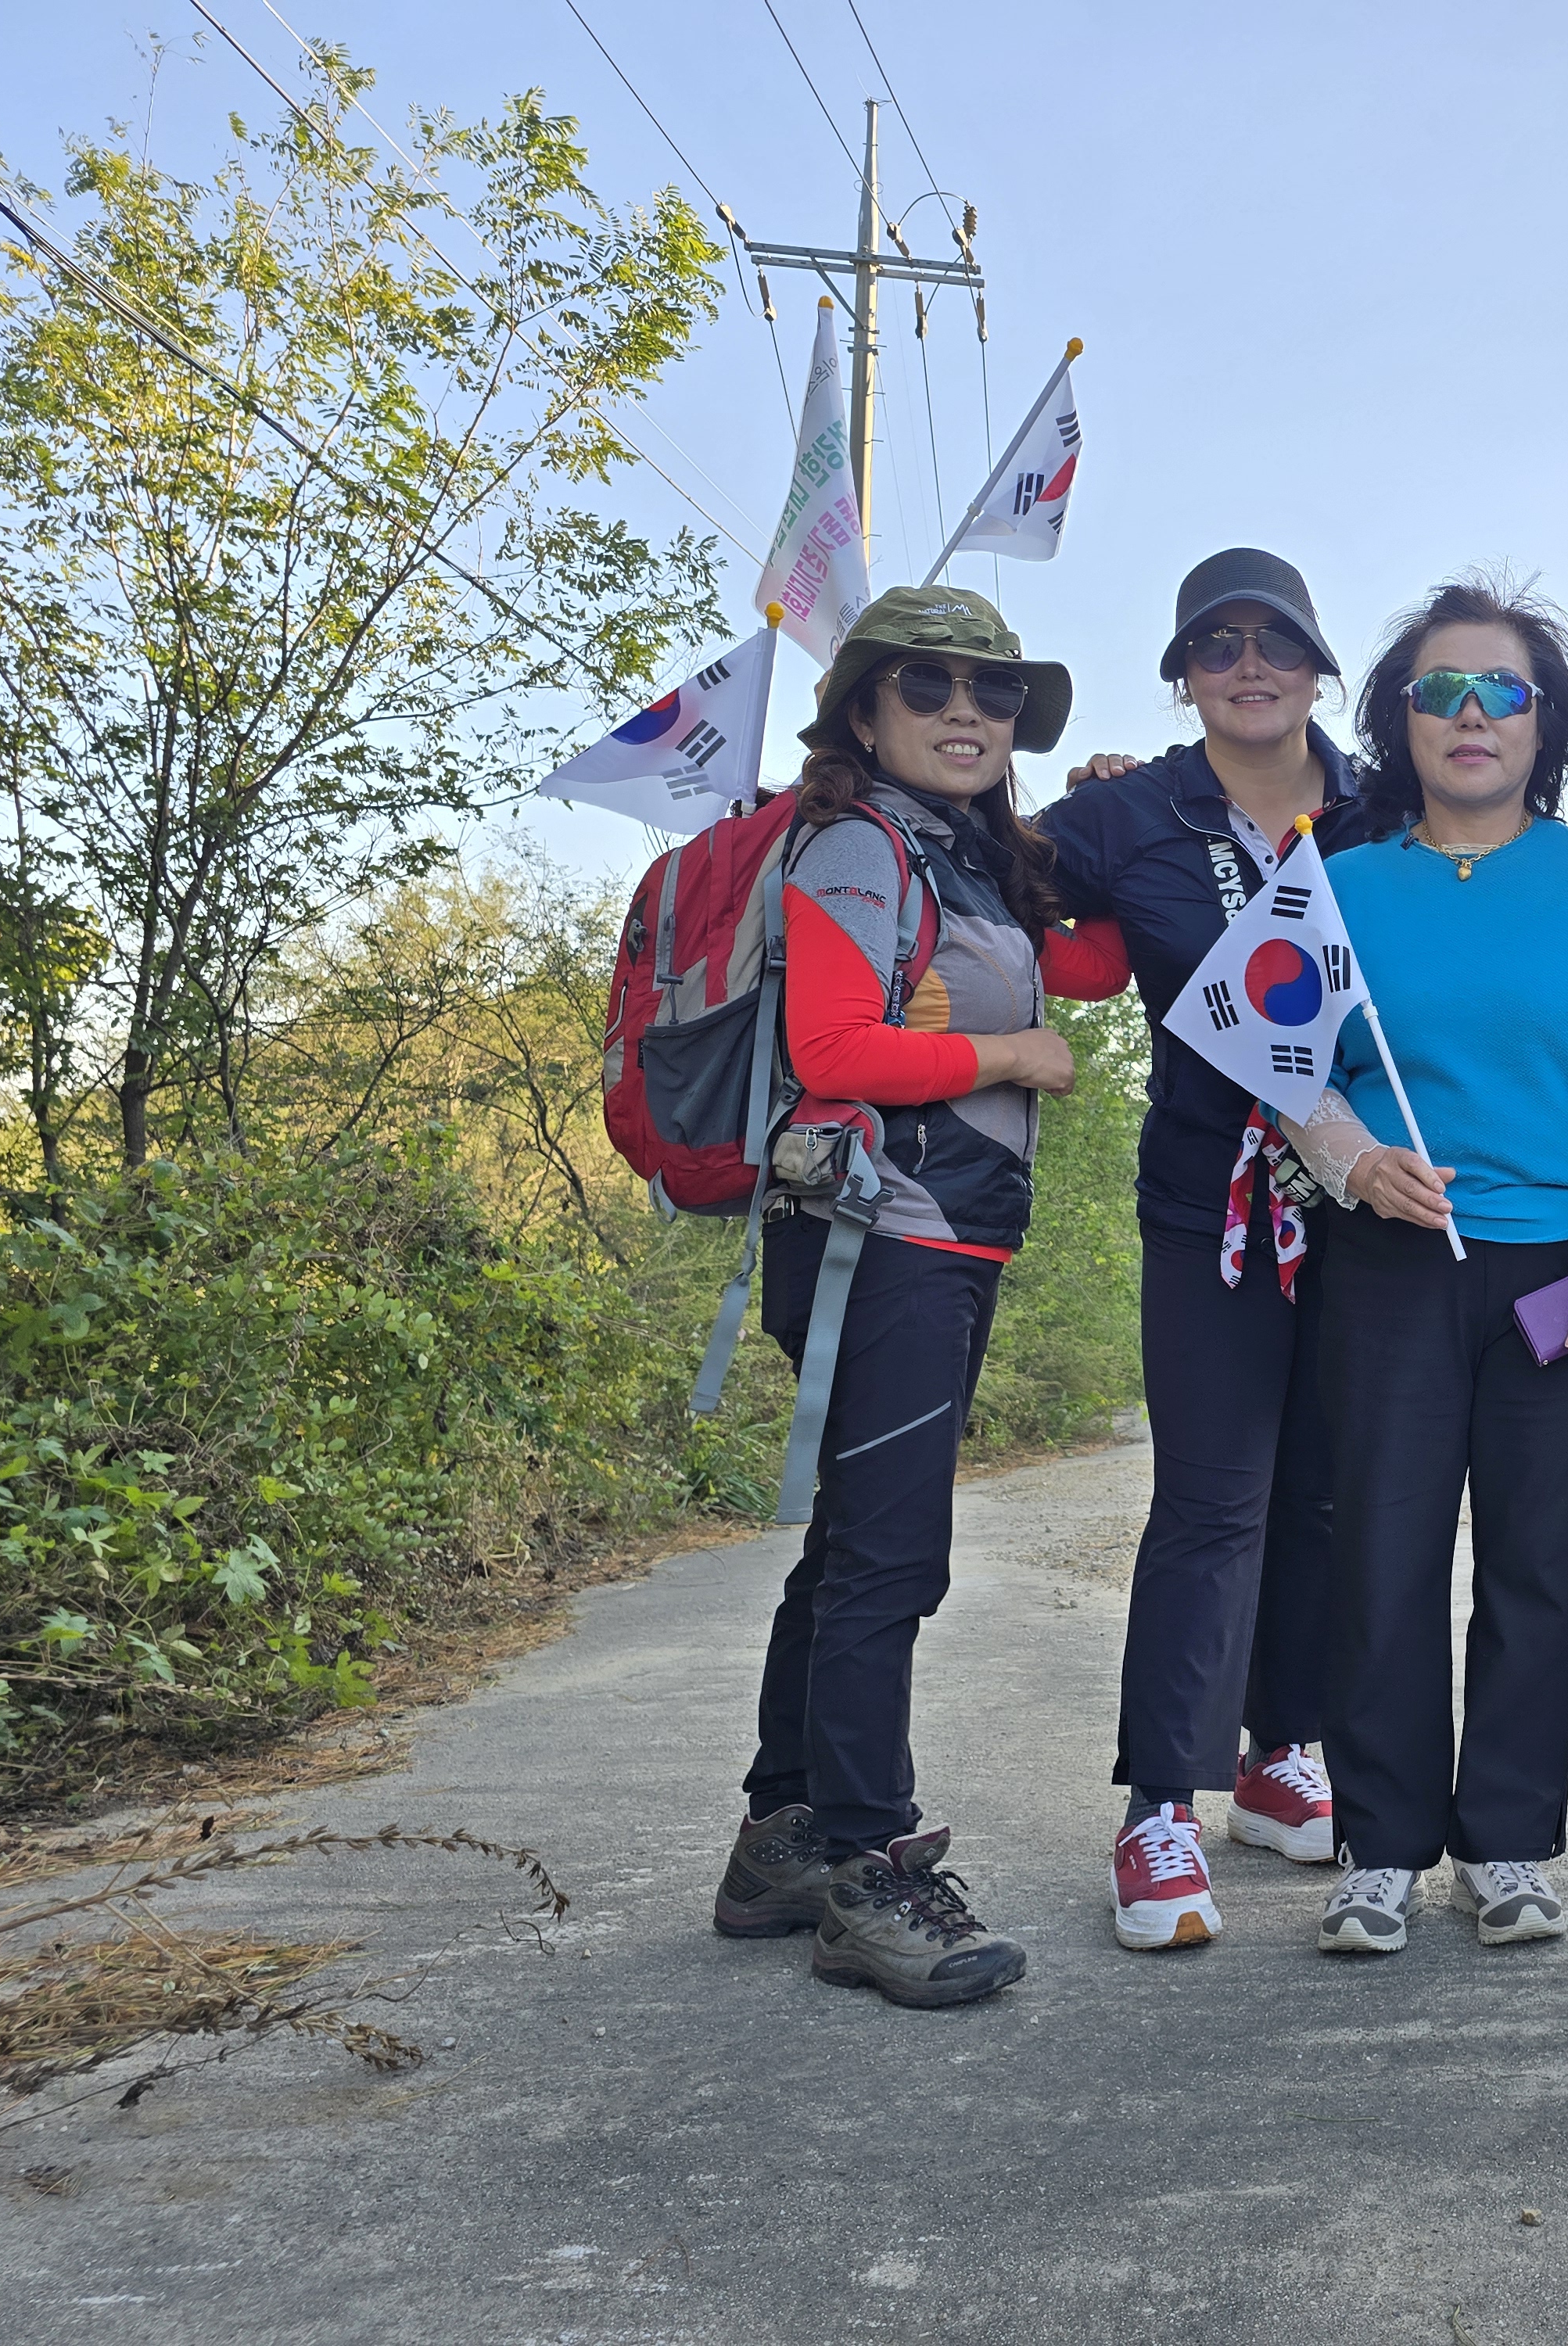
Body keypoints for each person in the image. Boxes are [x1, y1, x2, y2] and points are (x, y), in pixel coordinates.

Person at [709, 587, 1128, 2009]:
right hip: (875, 1242)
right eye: (928, 686)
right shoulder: (856, 845)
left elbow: (1096, 963)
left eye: (994, 693)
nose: (967, 712)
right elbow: (833, 1047)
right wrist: (1012, 1057)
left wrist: (1100, 823)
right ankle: (868, 1871)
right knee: (892, 1559)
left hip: (937, 1244)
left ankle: (780, 1841)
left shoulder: (960, 861)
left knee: (853, 1544)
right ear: (865, 710)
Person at [1272, 575, 1568, 1955]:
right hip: (1390, 1262)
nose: (1470, 714)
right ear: (1399, 718)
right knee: (1380, 1558)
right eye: (1438, 690)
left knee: (1536, 1563)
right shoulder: (1334, 885)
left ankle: (1504, 1842)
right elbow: (1290, 1066)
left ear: (1543, 720)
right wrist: (1355, 1164)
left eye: (1502, 689)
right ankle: (1381, 1847)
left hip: (1557, 1271)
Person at [1032, 550, 1372, 1953]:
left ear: (1316, 665)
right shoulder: (1131, 812)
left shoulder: (1383, 806)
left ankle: (1283, 1750)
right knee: (1214, 1498)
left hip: (1366, 1199)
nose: (1249, 666)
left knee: (1328, 1494)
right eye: (1217, 644)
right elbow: (983, 875)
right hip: (1206, 1205)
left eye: (1275, 640)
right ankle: (1161, 1805)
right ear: (1183, 674)